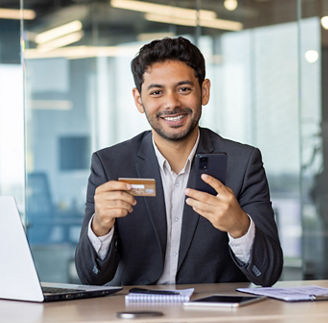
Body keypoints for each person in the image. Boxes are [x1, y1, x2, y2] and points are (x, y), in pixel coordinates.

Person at [75, 37, 283, 287]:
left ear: (204, 91)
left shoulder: (243, 163)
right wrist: (100, 225)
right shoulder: (110, 164)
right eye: (156, 92)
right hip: (135, 315)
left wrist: (239, 227)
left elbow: (269, 272)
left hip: (213, 316)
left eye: (184, 89)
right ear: (139, 99)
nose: (172, 103)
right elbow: (90, 276)